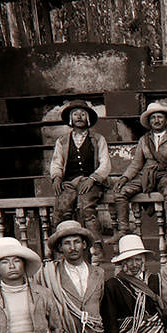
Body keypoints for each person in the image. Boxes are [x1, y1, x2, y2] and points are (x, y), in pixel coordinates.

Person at [113, 101, 167, 249]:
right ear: (149, 121)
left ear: (166, 120)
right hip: (147, 175)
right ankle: (123, 229)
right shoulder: (144, 140)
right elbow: (136, 164)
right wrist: (124, 178)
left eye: (160, 117)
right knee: (121, 193)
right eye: (153, 118)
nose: (157, 120)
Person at [48, 100, 111, 262]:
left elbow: (105, 164)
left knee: (86, 207)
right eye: (75, 114)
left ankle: (95, 248)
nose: (79, 117)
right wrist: (56, 177)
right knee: (62, 209)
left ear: (88, 118)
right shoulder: (62, 141)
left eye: (82, 114)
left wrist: (93, 178)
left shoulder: (98, 139)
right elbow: (57, 162)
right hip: (70, 183)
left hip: (92, 183)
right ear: (71, 118)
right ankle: (61, 248)